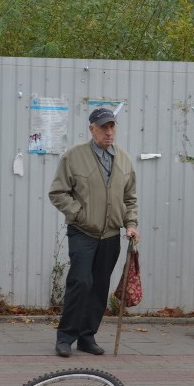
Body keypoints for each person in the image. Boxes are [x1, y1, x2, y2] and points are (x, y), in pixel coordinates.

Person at [49, 107, 139, 357]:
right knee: (80, 282)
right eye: (103, 127)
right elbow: (58, 193)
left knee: (100, 287)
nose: (109, 132)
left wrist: (131, 224)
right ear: (92, 129)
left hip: (111, 234)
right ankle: (65, 337)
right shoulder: (74, 156)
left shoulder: (123, 158)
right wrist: (79, 214)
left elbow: (130, 197)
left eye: (112, 126)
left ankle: (87, 337)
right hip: (83, 232)